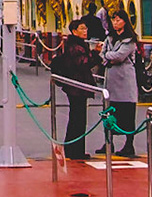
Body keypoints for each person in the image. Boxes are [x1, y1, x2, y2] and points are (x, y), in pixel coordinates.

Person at [47, 21, 99, 159]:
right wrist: (95, 54)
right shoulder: (76, 47)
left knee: (76, 118)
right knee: (78, 119)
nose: (85, 31)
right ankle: (76, 151)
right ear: (74, 31)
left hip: (76, 86)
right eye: (82, 28)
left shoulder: (75, 44)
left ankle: (72, 148)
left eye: (86, 28)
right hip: (77, 86)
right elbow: (83, 63)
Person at [100, 9, 141, 158]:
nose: (115, 23)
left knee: (127, 114)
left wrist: (107, 56)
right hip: (110, 80)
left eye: (118, 20)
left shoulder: (130, 40)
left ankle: (129, 145)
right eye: (113, 20)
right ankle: (108, 142)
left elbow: (120, 56)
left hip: (125, 81)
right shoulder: (109, 38)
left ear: (125, 21)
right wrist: (106, 57)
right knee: (109, 112)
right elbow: (102, 54)